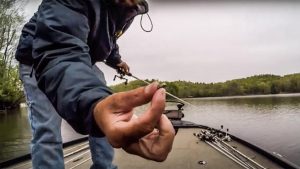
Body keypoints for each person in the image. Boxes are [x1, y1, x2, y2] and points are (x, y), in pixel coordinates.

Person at [16, 0, 175, 168]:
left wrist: (116, 60)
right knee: (47, 130)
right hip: (39, 58)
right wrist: (94, 103)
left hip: (85, 58)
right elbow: (59, 49)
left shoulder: (131, 8)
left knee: (105, 110)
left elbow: (109, 36)